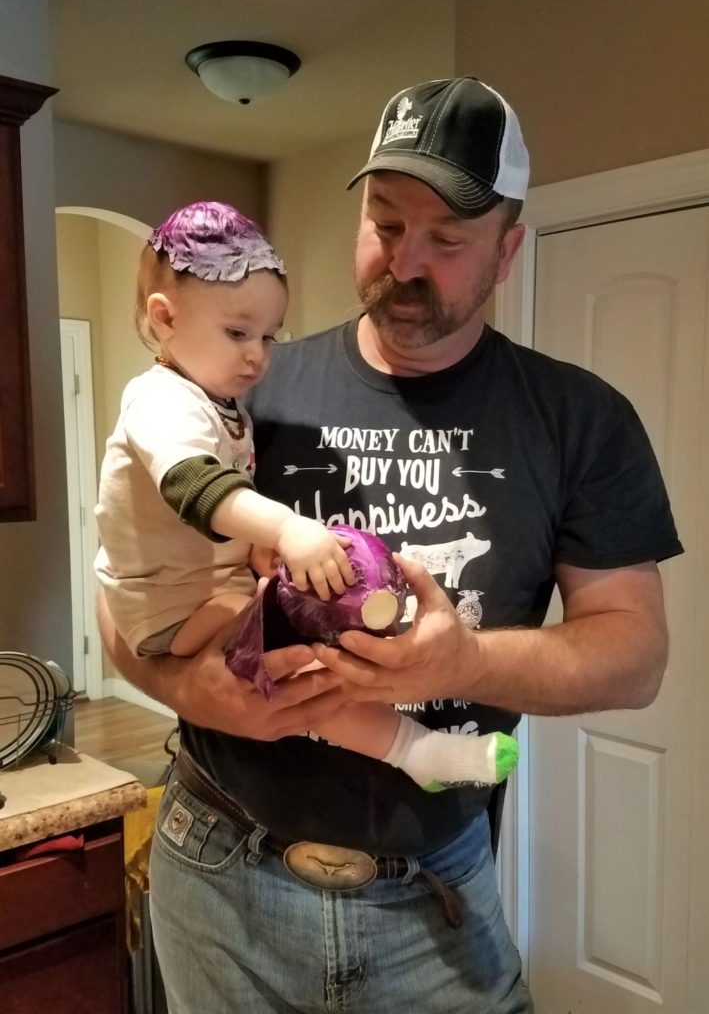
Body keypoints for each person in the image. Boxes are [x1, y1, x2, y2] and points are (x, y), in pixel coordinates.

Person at [98, 77, 682, 1014]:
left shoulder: (578, 419)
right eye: (384, 221)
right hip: (220, 876)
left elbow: (634, 658)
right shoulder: (239, 380)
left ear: (507, 250)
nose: (404, 260)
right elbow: (126, 587)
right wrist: (179, 685)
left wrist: (468, 659)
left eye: (447, 240)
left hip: (435, 901)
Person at [95, 200, 518, 803]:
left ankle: (415, 749)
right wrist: (287, 531)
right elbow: (195, 487)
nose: (258, 356)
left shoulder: (216, 398)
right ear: (164, 318)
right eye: (238, 333)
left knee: (304, 657)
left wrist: (257, 545)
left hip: (200, 593)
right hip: (170, 611)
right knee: (308, 667)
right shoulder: (161, 401)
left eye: (268, 335)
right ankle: (418, 752)